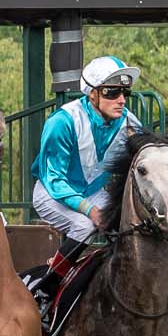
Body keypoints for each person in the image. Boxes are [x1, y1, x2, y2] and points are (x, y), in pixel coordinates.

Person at [30, 54, 147, 290]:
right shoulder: (62, 122)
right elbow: (54, 180)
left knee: (130, 221)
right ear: (92, 94)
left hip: (93, 192)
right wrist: (90, 210)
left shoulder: (129, 123)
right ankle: (47, 287)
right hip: (51, 194)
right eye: (112, 93)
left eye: (125, 93)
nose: (122, 100)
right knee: (84, 226)